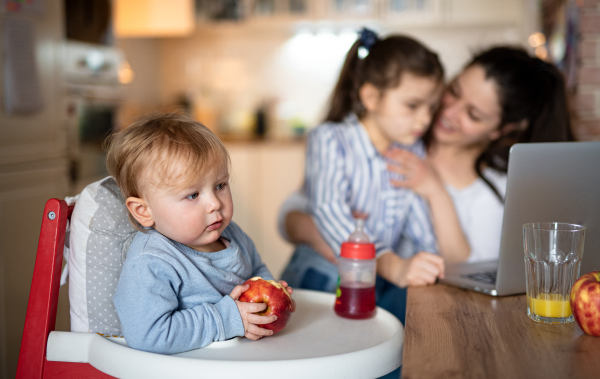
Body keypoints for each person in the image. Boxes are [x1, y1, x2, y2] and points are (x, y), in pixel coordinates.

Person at [281, 46, 575, 282]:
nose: (447, 112)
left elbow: (464, 269)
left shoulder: (494, 189)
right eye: (454, 91)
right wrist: (327, 235)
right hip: (335, 273)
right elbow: (295, 212)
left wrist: (434, 190)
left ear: (500, 130)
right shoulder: (395, 136)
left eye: (473, 114)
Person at [280, 29, 455, 309]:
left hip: (375, 281)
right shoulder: (329, 139)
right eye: (412, 105)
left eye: (431, 107)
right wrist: (390, 263)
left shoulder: (412, 150)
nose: (425, 119)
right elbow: (329, 210)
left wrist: (430, 262)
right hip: (324, 277)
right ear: (372, 97)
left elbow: (417, 216)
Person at [106, 113, 294, 354]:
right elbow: (149, 335)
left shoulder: (231, 234)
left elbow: (256, 271)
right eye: (193, 195)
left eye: (220, 185)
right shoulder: (151, 263)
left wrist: (272, 293)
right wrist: (227, 319)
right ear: (144, 211)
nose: (215, 203)